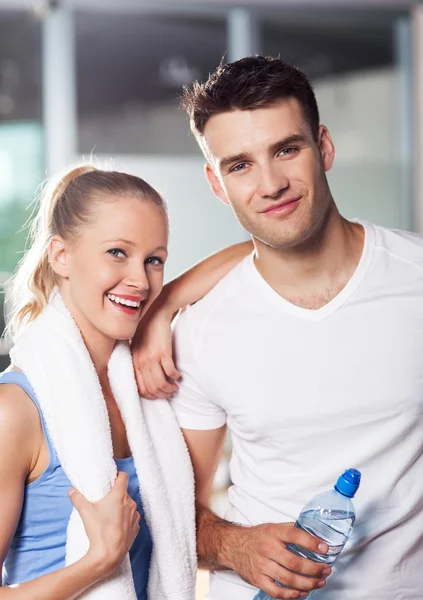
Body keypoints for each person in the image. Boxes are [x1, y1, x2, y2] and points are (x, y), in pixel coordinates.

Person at [131, 56, 423, 600]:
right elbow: (170, 509)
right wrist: (234, 545)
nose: (271, 184)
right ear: (217, 184)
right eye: (239, 165)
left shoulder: (415, 281)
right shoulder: (199, 330)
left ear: (324, 148)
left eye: (286, 149)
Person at [0, 164, 253, 600]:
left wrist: (166, 304)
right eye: (117, 252)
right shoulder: (16, 410)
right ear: (61, 256)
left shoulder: (141, 387)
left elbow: (265, 251)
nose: (140, 280)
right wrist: (97, 562)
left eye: (154, 259)